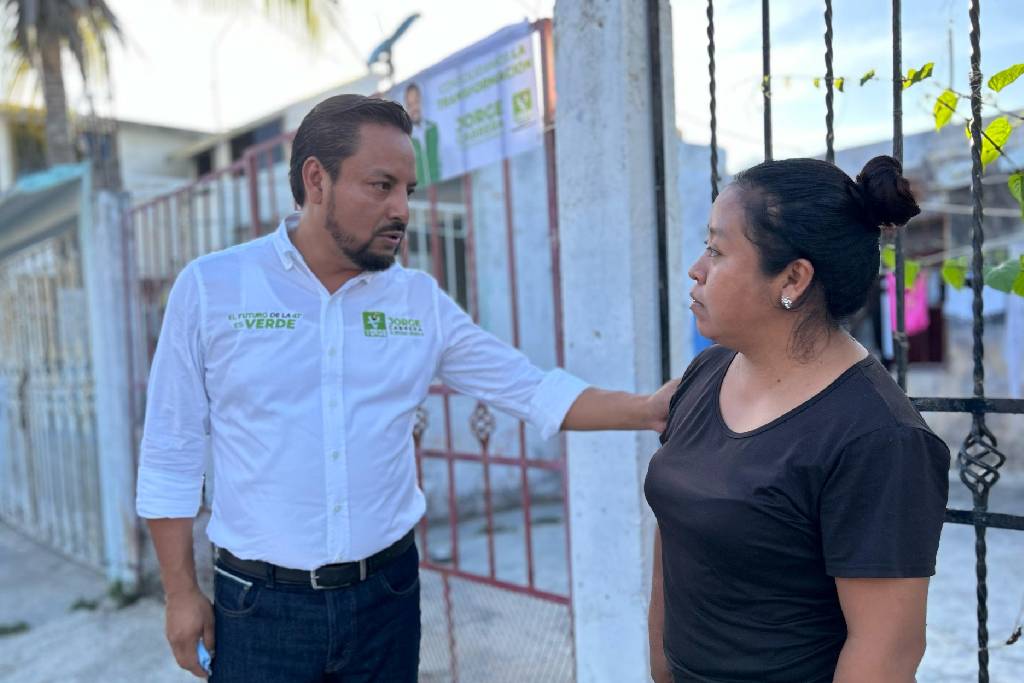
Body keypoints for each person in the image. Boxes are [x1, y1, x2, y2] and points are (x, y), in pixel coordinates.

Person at [136, 94, 676, 682]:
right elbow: (171, 449)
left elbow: (528, 389)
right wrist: (180, 594)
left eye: (409, 191)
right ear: (317, 179)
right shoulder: (215, 288)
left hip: (386, 599)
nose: (402, 209)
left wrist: (648, 409)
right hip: (260, 609)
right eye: (381, 186)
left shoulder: (418, 302)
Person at [645, 156, 950, 683]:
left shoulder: (878, 437)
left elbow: (886, 653)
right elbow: (676, 530)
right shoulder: (707, 374)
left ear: (792, 277)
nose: (696, 269)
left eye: (717, 250)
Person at [403, 82, 441, 186]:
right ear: (406, 107)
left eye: (416, 102)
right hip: (421, 195)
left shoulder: (433, 128)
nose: (414, 108)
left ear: (421, 101)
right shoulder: (404, 137)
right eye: (410, 105)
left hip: (441, 188)